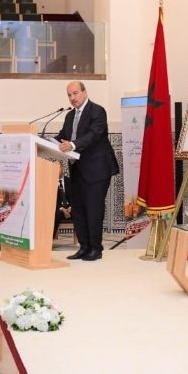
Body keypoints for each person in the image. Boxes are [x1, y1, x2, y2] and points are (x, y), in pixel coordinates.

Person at [56, 81, 120, 262]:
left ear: (84, 92)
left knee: (93, 209)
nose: (72, 98)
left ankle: (95, 249)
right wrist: (42, 141)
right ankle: (84, 247)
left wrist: (73, 144)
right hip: (77, 169)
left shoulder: (97, 111)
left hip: (97, 169)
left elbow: (93, 134)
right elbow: (63, 136)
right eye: (69, 95)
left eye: (75, 93)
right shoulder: (70, 116)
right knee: (78, 210)